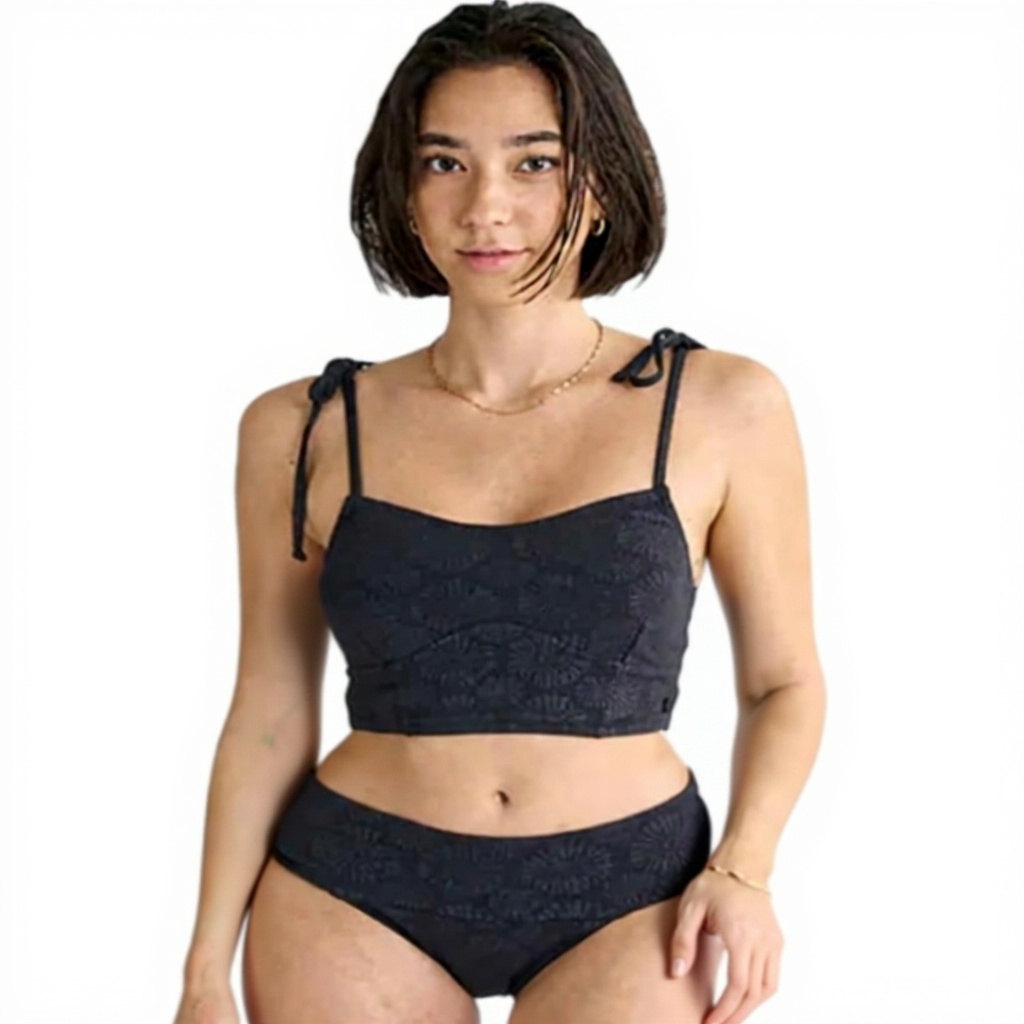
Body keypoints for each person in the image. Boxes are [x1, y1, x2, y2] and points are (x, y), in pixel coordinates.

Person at [173, 3, 826, 1022]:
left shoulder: (722, 406)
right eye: (445, 162)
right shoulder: (301, 427)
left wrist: (745, 869)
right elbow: (269, 706)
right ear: (402, 189)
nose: (486, 206)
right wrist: (204, 971)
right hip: (352, 887)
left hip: (635, 892)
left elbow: (784, 680)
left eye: (534, 163)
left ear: (599, 181)